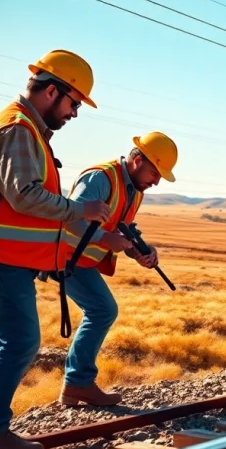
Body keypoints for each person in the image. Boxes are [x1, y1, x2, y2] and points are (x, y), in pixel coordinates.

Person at [0, 50, 109, 449]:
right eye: (74, 103)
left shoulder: (27, 129)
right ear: (52, 91)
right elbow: (24, 196)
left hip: (3, 258)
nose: (75, 113)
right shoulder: (18, 128)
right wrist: (79, 210)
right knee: (19, 340)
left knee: (8, 340)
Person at [55, 132, 178, 406]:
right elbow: (70, 218)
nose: (157, 181)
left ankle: (77, 384)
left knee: (102, 310)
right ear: (136, 159)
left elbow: (122, 228)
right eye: (155, 172)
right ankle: (77, 384)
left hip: (83, 260)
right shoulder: (101, 178)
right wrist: (105, 239)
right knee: (102, 310)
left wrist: (139, 252)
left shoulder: (135, 190)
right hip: (65, 256)